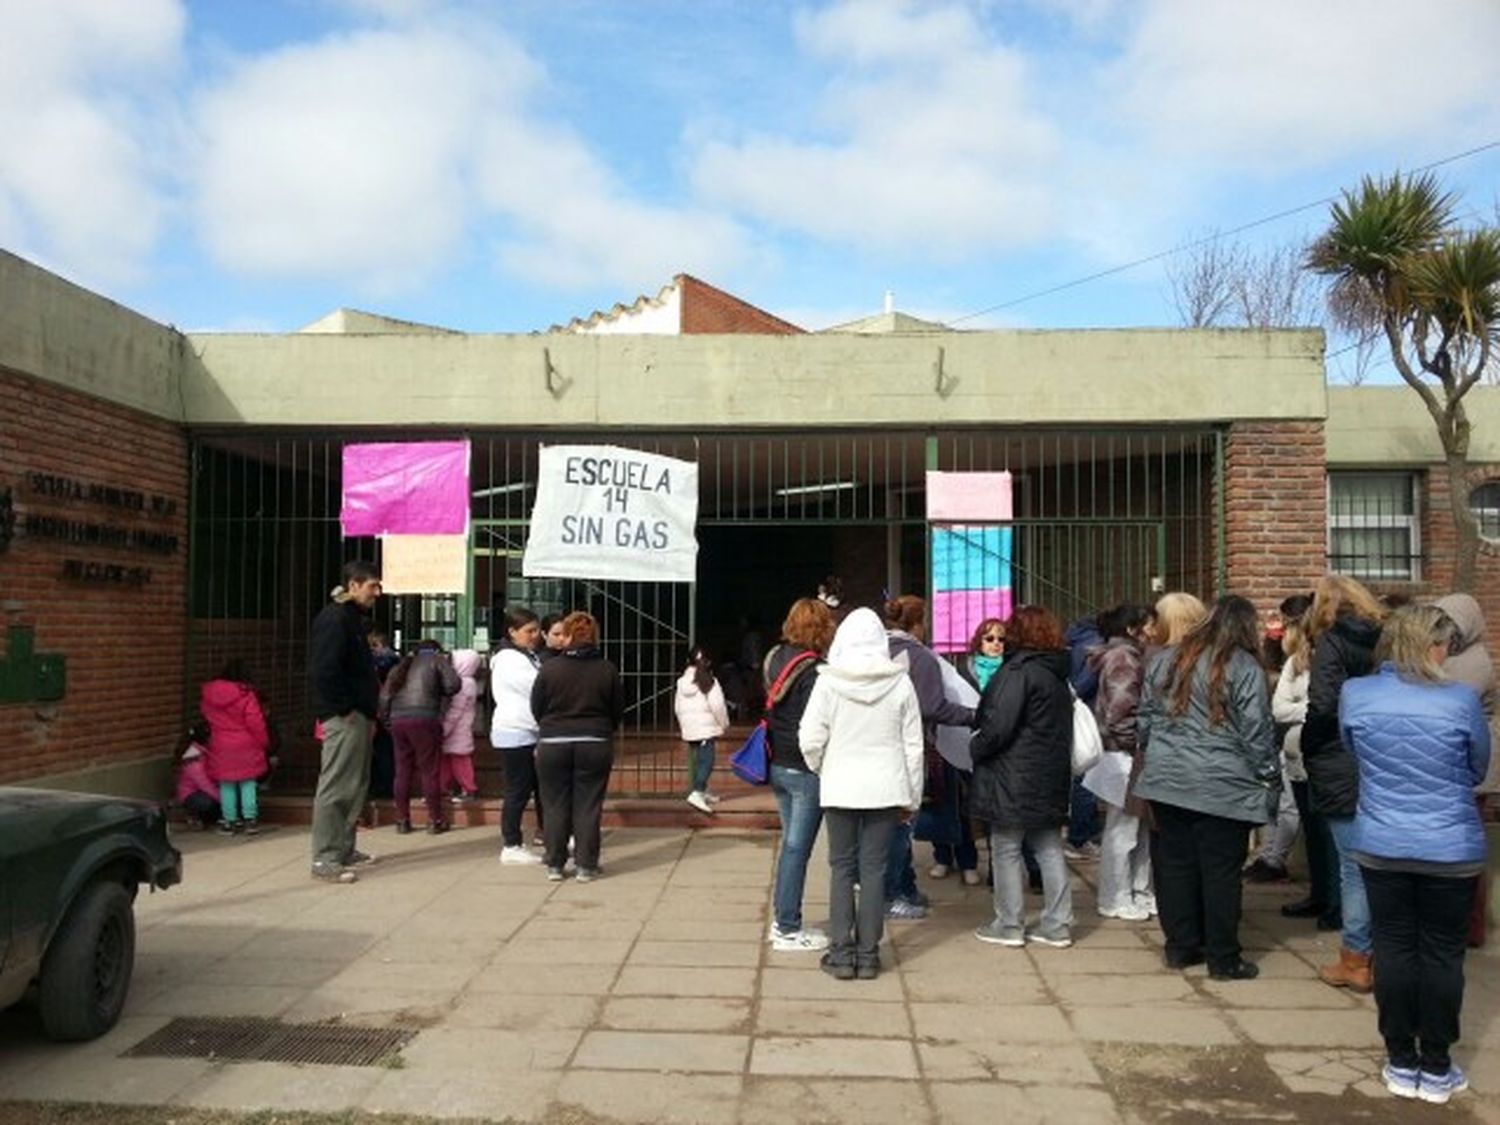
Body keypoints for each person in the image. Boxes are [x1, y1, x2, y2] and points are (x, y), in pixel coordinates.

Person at [1341, 605, 1490, 1104]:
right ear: (1433, 646)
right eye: (1445, 643)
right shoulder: (1461, 700)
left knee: (1395, 949)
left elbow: (1354, 750)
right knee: (1442, 954)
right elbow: (1477, 766)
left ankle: (1401, 1059)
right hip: (1450, 845)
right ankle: (1437, 1064)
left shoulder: (1356, 694)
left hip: (1383, 841)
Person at [1135, 595, 1277, 980]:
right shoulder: (1244, 666)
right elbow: (1257, 730)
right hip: (1224, 784)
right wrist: (1268, 775)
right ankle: (1223, 957)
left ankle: (1181, 946)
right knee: (1221, 873)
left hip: (1168, 780)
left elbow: (1145, 715)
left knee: (1175, 866)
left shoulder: (1165, 659)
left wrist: (1155, 753)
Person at [798, 608, 924, 980]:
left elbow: (810, 738)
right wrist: (911, 798)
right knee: (874, 870)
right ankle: (868, 955)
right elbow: (913, 747)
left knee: (841, 869)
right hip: (886, 789)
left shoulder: (828, 682)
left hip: (840, 787)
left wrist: (825, 767)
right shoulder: (900, 683)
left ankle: (840, 953)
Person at [970, 605, 1075, 948]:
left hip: (1013, 773)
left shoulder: (1017, 671)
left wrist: (976, 747)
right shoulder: (1056, 672)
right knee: (1048, 846)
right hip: (1048, 771)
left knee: (1006, 847)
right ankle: (1058, 923)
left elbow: (998, 725)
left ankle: (1009, 923)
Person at [1302, 574, 1386, 993]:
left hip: (1338, 756)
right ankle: (1381, 952)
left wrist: (1309, 742)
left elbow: (1323, 703)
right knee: (1380, 862)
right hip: (1384, 755)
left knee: (1352, 867)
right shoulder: (1385, 638)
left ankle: (1355, 958)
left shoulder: (1332, 643)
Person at [881, 595, 976, 920]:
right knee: (902, 826)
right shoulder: (919, 656)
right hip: (910, 747)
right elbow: (933, 707)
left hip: (875, 747)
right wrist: (973, 715)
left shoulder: (875, 649)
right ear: (918, 623)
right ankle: (895, 893)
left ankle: (905, 887)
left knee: (888, 825)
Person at [531, 611, 623, 882]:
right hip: (595, 742)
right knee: (588, 805)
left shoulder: (550, 668)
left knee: (554, 804)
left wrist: (551, 727)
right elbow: (617, 710)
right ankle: (585, 865)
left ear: (568, 636)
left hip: (553, 742)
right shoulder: (606, 669)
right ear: (595, 637)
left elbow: (537, 706)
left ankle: (555, 864)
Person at [765, 598, 835, 952]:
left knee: (791, 846)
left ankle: (782, 918)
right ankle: (787, 926)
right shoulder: (816, 671)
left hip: (777, 763)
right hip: (805, 769)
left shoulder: (775, 657)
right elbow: (815, 725)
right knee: (797, 849)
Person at [308, 560, 383, 884]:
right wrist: (343, 709)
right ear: (353, 585)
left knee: (354, 785)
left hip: (360, 715)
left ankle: (344, 848)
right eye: (372, 586)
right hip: (345, 717)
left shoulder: (352, 619)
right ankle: (326, 857)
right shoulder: (335, 619)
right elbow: (324, 671)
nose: (376, 593)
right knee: (337, 785)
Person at [1434, 592, 1497, 950]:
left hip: (1470, 770)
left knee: (1468, 851)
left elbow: (1451, 707)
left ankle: (1471, 927)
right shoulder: (1456, 658)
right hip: (1450, 764)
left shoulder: (1476, 663)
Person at [1087, 603, 1156, 921]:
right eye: (1148, 625)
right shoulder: (1124, 658)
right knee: (1123, 828)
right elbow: (1119, 710)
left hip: (1125, 751)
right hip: (1122, 753)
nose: (1153, 630)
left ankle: (1138, 891)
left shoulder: (1127, 656)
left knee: (1138, 825)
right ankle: (1115, 896)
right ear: (1132, 629)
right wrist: (1134, 742)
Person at [925, 617, 1001, 884]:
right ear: (979, 641)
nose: (996, 645)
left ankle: (971, 861)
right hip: (955, 741)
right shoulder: (963, 668)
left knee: (979, 808)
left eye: (1001, 639)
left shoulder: (1010, 671)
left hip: (991, 748)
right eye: (989, 638)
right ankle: (943, 856)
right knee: (946, 801)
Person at [383, 640, 461, 835]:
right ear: (436, 649)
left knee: (402, 770)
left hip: (398, 720)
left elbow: (385, 697)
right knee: (430, 770)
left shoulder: (400, 666)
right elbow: (453, 684)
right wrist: (439, 691)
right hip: (425, 718)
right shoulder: (437, 660)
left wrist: (387, 721)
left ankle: (402, 820)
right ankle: (435, 820)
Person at [491, 607, 547, 863]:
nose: (535, 635)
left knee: (536, 788)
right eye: (529, 631)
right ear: (512, 632)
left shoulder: (526, 655)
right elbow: (537, 686)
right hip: (515, 731)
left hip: (527, 729)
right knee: (518, 790)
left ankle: (543, 835)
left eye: (536, 630)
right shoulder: (509, 659)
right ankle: (511, 844)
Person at [198, 659, 271, 836]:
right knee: (247, 782)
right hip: (246, 742)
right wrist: (263, 742)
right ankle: (250, 820)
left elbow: (206, 715)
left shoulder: (209, 695)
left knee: (226, 784)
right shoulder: (246, 694)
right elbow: (255, 722)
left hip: (221, 742)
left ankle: (229, 821)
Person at [1063, 612, 1105, 859]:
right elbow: (1082, 685)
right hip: (1089, 715)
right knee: (1086, 780)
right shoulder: (1094, 646)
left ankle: (1081, 833)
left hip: (1078, 716)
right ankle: (1080, 837)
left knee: (1081, 777)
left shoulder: (1074, 642)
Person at [674, 645, 729, 815]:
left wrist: (684, 725)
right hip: (706, 729)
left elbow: (677, 707)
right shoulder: (709, 680)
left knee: (697, 761)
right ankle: (697, 791)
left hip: (691, 728)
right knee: (707, 761)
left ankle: (702, 791)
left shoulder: (682, 682)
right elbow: (718, 706)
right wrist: (724, 724)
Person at [440, 649, 484, 803]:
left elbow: (455, 710)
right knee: (451, 759)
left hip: (456, 730)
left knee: (459, 760)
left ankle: (468, 788)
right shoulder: (469, 682)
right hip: (460, 729)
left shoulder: (462, 684)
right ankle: (447, 788)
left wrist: (444, 728)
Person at [174, 723, 220, 829]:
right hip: (191, 794)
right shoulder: (193, 759)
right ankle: (195, 815)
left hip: (206, 789)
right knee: (207, 803)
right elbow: (205, 784)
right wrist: (224, 800)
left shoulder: (206, 752)